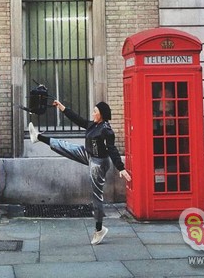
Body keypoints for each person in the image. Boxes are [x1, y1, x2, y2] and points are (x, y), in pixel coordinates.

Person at [28, 100, 131, 245]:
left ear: (101, 114)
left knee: (97, 196)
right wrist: (62, 108)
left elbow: (112, 149)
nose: (93, 113)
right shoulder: (93, 125)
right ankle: (37, 137)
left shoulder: (106, 130)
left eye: (95, 111)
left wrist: (121, 168)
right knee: (66, 146)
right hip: (88, 154)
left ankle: (99, 230)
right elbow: (77, 119)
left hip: (98, 164)